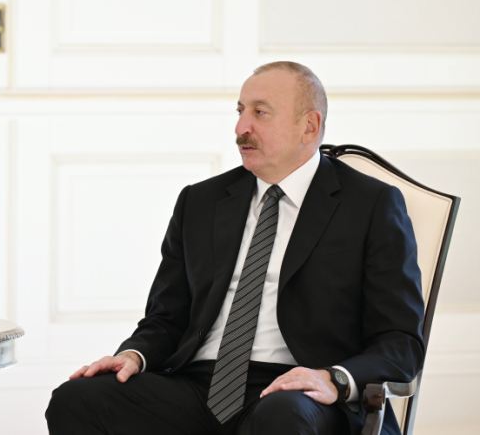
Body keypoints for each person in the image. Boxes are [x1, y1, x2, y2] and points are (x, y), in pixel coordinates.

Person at [45, 61, 424, 435]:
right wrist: (134, 354)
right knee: (76, 399)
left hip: (300, 389)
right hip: (198, 386)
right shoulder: (200, 202)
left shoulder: (370, 205)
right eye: (240, 111)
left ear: (309, 126)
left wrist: (334, 379)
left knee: (282, 417)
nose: (241, 127)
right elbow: (166, 317)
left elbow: (401, 340)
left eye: (260, 113)